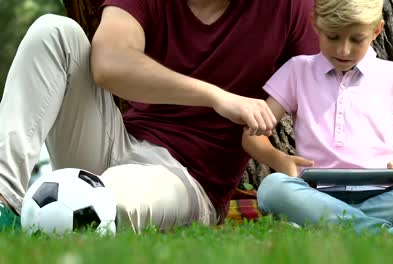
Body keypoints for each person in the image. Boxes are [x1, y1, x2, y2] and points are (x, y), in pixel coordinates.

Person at [0, 0, 320, 232]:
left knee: (112, 200)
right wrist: (216, 97)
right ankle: (4, 202)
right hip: (117, 142)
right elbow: (109, 63)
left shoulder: (288, 6)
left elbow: (323, 87)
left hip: (188, 179)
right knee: (53, 31)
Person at [242, 0, 393, 233]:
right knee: (273, 189)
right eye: (333, 37)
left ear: (376, 30)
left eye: (356, 39)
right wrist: (280, 160)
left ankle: (336, 226)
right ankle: (387, 234)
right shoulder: (297, 71)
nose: (343, 50)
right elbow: (251, 136)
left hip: (387, 194)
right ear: (315, 24)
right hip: (315, 193)